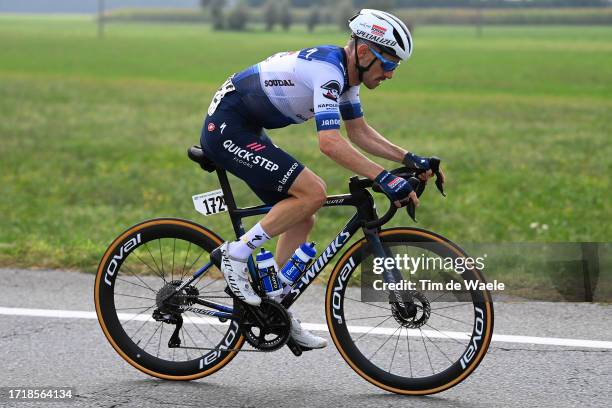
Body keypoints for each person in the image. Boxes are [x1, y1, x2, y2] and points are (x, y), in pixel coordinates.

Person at [201, 9, 445, 349]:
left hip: (245, 126)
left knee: (303, 215)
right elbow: (329, 142)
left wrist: (407, 158)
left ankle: (275, 306)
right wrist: (385, 178)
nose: (390, 74)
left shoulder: (346, 77)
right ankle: (236, 254)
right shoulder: (329, 72)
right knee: (313, 192)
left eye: (396, 66)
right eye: (388, 64)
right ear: (363, 53)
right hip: (227, 127)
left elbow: (358, 132)